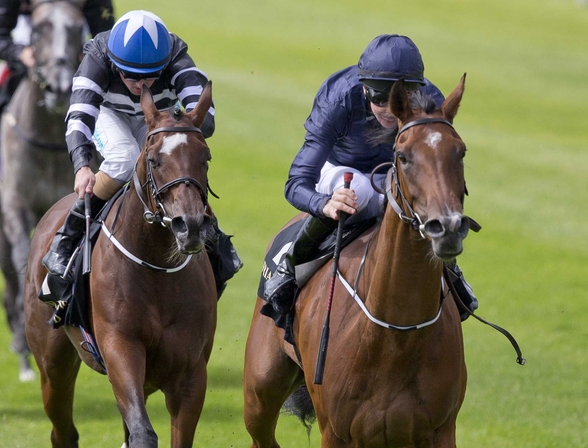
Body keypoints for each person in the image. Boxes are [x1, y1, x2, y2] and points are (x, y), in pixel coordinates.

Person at [262, 34, 478, 320]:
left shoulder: (431, 104)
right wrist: (324, 203)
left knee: (415, 198)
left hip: (397, 171)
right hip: (340, 170)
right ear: (364, 89)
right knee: (361, 192)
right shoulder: (339, 98)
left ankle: (450, 270)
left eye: (400, 99)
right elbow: (296, 182)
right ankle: (290, 265)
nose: (390, 110)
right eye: (379, 98)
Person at [42, 10, 241, 297]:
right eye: (131, 77)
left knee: (175, 157)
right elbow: (80, 118)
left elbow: (204, 115)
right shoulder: (98, 57)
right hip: (110, 115)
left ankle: (211, 238)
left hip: (158, 119)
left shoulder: (175, 55)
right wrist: (82, 166)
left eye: (150, 77)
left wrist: (189, 120)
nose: (141, 85)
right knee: (124, 158)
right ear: (114, 64)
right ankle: (67, 239)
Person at [0, 0, 115, 111]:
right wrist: (19, 52)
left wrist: (91, 55)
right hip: (30, 43)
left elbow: (106, 38)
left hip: (74, 44)